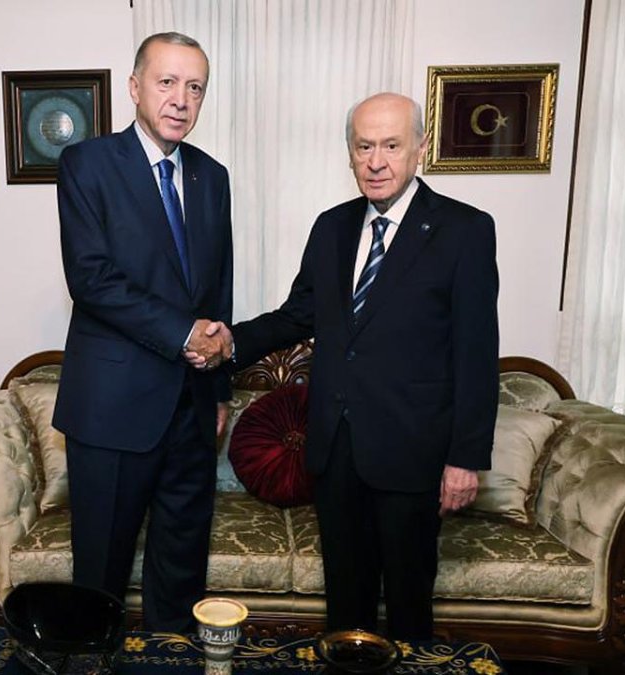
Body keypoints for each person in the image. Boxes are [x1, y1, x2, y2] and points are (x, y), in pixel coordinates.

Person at [195, 92, 498, 639]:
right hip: (335, 452)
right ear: (350, 153)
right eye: (364, 147)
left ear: (421, 148)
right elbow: (297, 315)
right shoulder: (331, 227)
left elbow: (476, 352)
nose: (376, 161)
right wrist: (229, 342)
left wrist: (465, 458)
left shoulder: (464, 231)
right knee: (345, 605)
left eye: (391, 146)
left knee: (408, 607)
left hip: (412, 454)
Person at [53, 31, 234, 633]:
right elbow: (92, 279)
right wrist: (185, 334)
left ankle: (173, 664)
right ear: (134, 87)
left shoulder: (213, 176)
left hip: (192, 407)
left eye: (195, 87)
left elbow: (218, 288)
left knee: (181, 575)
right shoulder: (87, 165)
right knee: (99, 574)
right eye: (167, 82)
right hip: (112, 411)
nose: (181, 99)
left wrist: (220, 389)